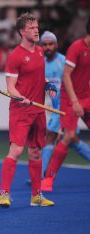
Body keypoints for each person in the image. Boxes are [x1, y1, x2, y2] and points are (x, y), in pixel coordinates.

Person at [0, 12, 56, 208]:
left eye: (36, 27)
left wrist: (48, 85)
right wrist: (19, 96)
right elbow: (11, 86)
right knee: (16, 150)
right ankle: (3, 194)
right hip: (21, 111)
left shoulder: (39, 52)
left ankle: (36, 196)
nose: (36, 30)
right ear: (22, 31)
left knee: (36, 153)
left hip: (38, 111)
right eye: (31, 27)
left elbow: (38, 78)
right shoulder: (15, 56)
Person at [42, 18, 90, 191]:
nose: (47, 47)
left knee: (70, 139)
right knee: (65, 137)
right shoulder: (76, 48)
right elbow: (65, 77)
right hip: (67, 102)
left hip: (84, 97)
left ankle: (44, 175)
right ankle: (46, 178)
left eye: (50, 44)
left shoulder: (60, 59)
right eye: (45, 44)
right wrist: (75, 102)